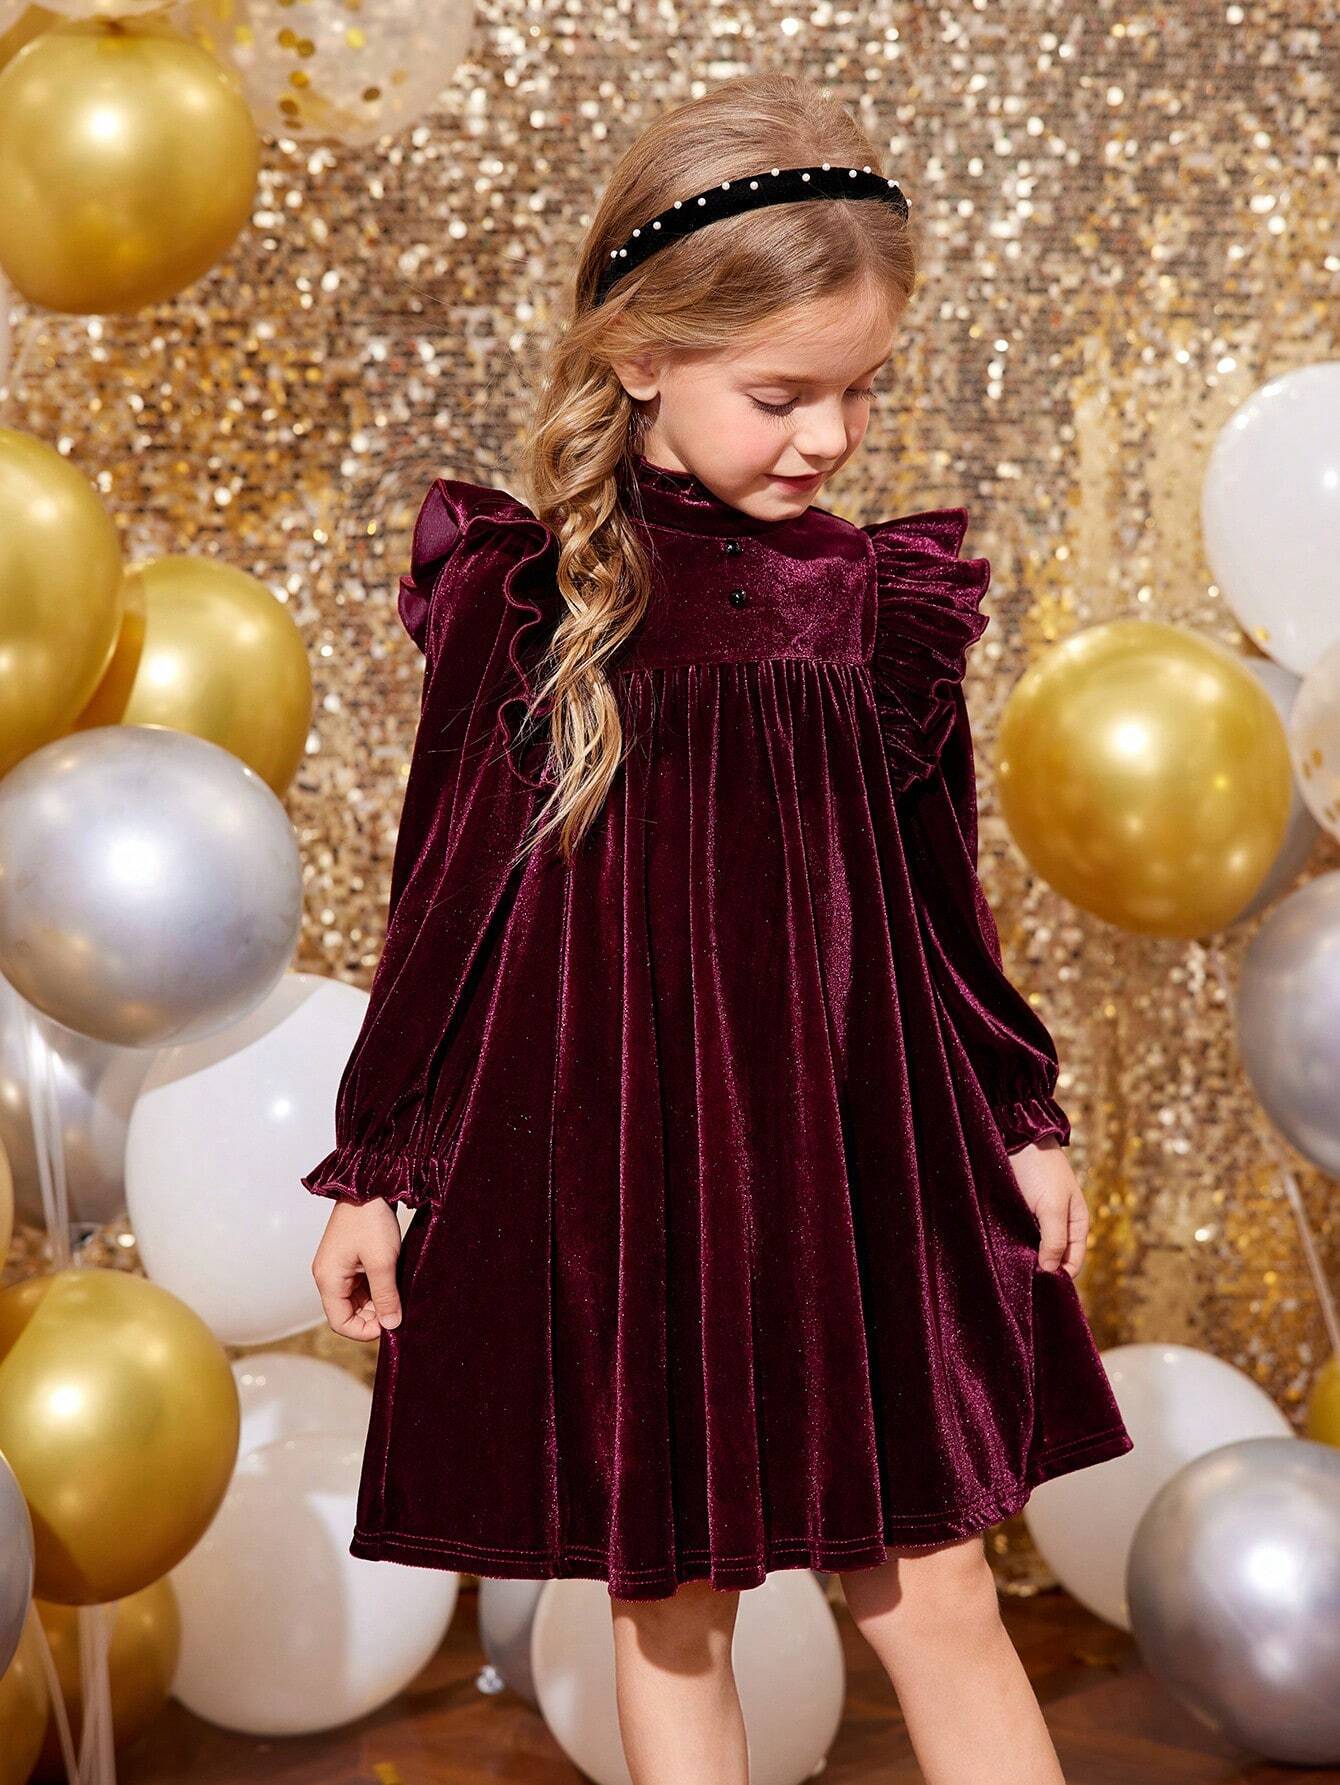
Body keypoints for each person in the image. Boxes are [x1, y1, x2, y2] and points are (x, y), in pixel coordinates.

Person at [301, 70, 1133, 1785]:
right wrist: (378, 1163)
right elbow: (442, 891)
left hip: (858, 1146)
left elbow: (940, 895)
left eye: (860, 390)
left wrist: (1019, 1113)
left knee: (939, 1589)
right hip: (630, 1161)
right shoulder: (531, 601)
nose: (827, 438)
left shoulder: (874, 603)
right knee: (669, 1609)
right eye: (780, 395)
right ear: (637, 357)